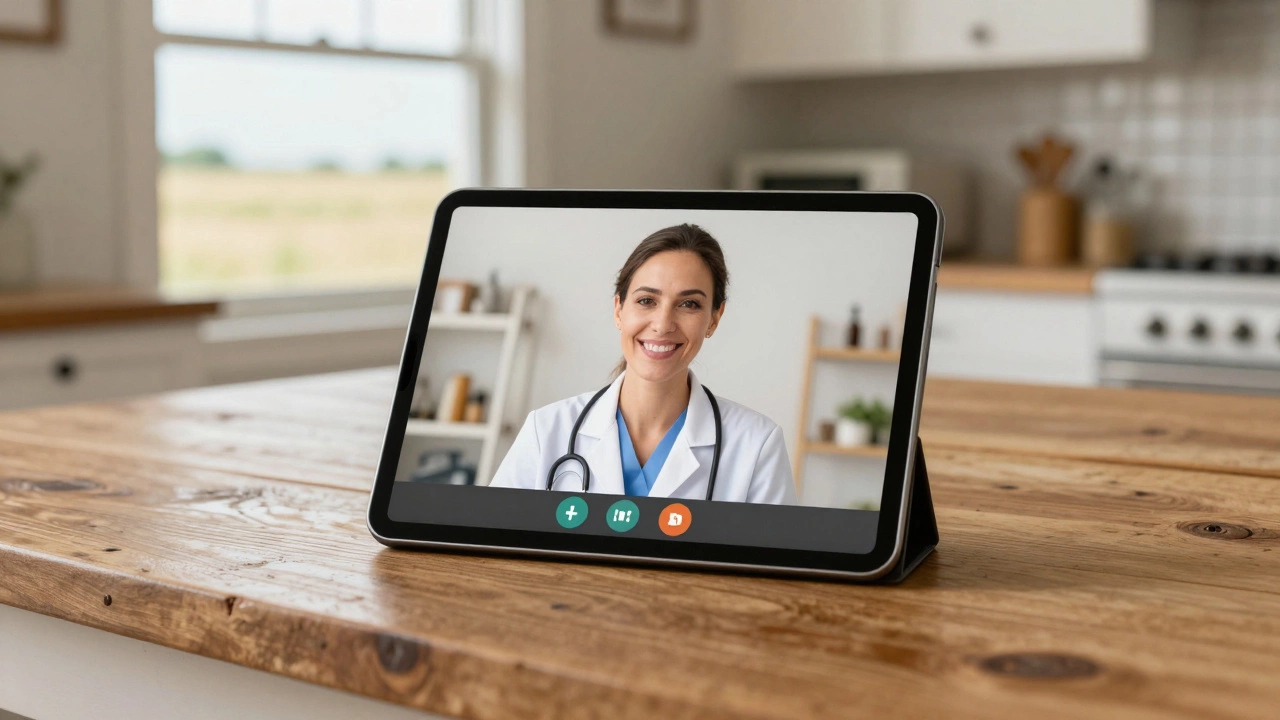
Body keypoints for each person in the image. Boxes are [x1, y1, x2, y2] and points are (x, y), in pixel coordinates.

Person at [489, 224, 797, 504]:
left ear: (714, 319)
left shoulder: (756, 445)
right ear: (619, 310)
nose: (663, 325)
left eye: (689, 304)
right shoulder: (546, 431)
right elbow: (491, 551)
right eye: (646, 300)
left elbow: (776, 564)